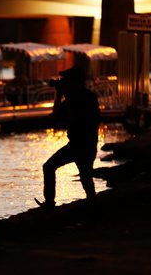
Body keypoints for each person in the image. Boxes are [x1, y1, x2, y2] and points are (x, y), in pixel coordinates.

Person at [36, 66, 101, 208]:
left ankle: (92, 207)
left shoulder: (86, 98)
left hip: (84, 145)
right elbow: (56, 116)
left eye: (68, 81)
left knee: (85, 178)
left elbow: (79, 118)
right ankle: (50, 202)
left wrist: (64, 95)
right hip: (77, 144)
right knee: (50, 167)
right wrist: (59, 95)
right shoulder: (74, 98)